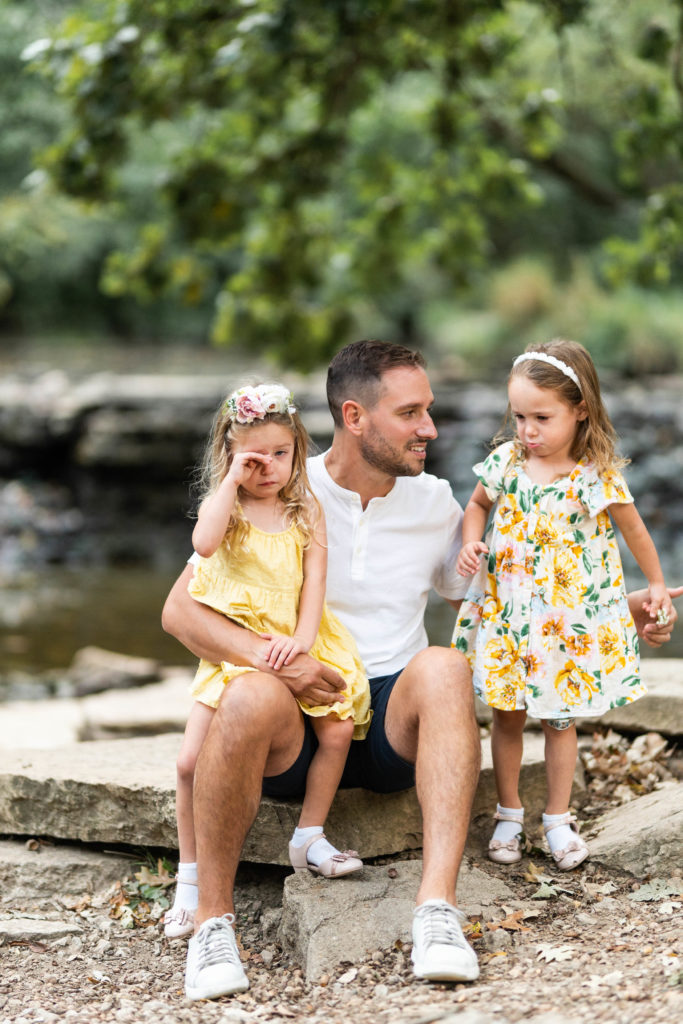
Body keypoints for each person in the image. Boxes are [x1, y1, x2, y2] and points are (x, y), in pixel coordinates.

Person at [162, 339, 679, 1001]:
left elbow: (518, 603)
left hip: (387, 721)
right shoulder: (281, 486)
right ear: (355, 417)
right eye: (411, 413)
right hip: (293, 720)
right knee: (246, 694)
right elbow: (180, 611)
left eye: (428, 410)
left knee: (443, 665)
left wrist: (630, 610)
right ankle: (212, 925)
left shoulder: (437, 501)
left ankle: (436, 912)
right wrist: (278, 664)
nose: (430, 428)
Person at [452, 338, 674, 872]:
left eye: (542, 418)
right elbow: (477, 506)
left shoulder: (594, 474)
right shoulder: (506, 462)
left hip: (564, 624)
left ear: (580, 411)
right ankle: (509, 814)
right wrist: (470, 542)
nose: (528, 430)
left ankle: (556, 817)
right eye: (520, 416)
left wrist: (659, 583)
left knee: (558, 720)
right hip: (509, 615)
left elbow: (634, 529)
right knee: (506, 716)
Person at [163, 382, 371, 941]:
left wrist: (302, 644)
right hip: (240, 654)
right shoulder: (226, 511)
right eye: (256, 457)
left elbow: (314, 592)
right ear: (230, 454)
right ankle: (190, 878)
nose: (270, 467)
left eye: (281, 454)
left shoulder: (307, 511)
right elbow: (203, 545)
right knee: (188, 763)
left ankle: (310, 834)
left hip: (295, 643)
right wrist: (232, 479)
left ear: (298, 450)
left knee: (339, 728)